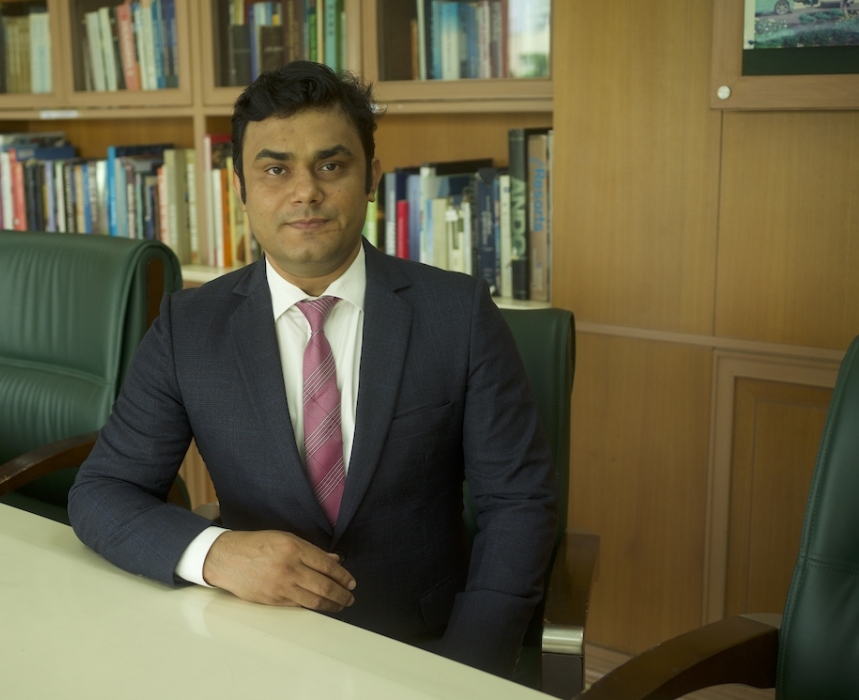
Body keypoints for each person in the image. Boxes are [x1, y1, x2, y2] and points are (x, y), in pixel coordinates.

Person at [68, 61, 556, 678]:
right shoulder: (187, 328)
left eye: (331, 165)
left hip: (417, 647)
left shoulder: (458, 314)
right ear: (240, 187)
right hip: (249, 643)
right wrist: (213, 552)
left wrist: (464, 674)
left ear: (371, 177)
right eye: (275, 169)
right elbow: (102, 492)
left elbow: (517, 504)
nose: (306, 192)